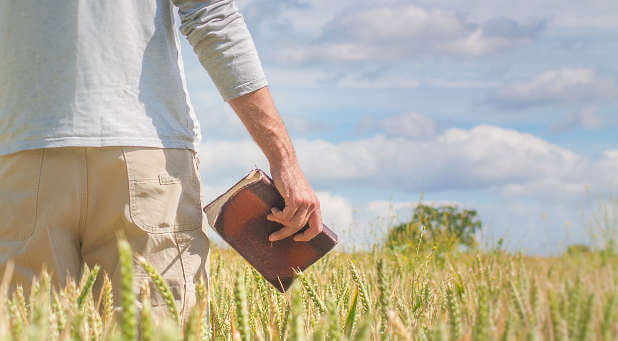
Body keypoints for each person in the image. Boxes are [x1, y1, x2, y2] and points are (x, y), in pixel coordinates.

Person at [0, 0, 323, 316]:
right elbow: (213, 17)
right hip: (145, 152)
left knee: (26, 323)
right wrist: (284, 160)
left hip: (23, 150)